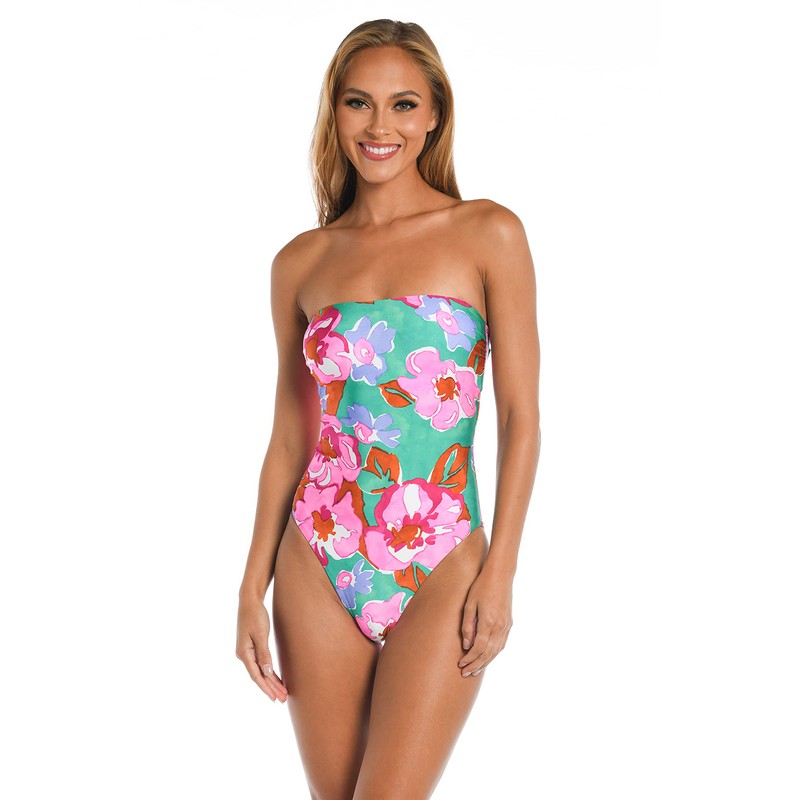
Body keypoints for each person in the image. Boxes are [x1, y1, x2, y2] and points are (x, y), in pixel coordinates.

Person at [236, 18, 540, 799]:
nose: (380, 126)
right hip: (317, 554)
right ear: (334, 113)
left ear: (434, 114)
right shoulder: (300, 261)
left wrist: (501, 570)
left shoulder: (488, 233)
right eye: (358, 103)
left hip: (443, 556)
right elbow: (290, 437)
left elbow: (521, 416)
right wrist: (250, 588)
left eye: (403, 104)